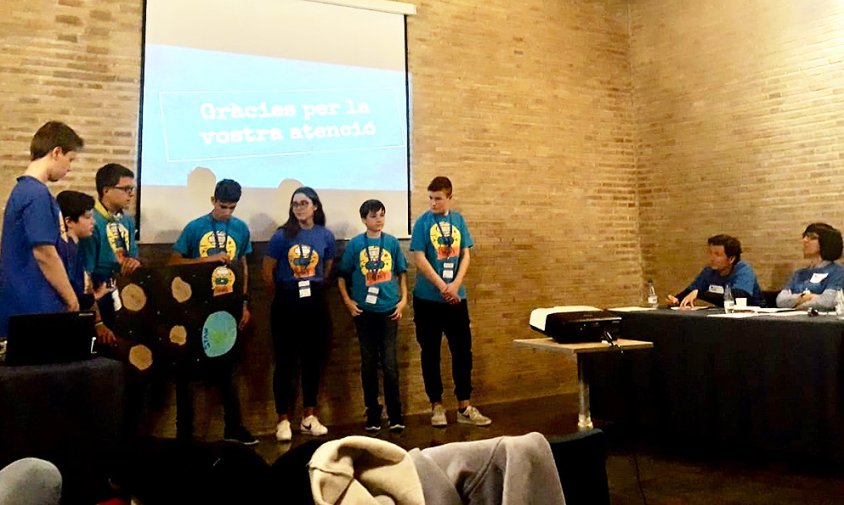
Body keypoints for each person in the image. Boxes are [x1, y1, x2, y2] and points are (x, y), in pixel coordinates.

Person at [169, 179, 257, 445]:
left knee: (226, 368)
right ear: (212, 201)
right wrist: (205, 260)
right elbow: (174, 261)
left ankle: (234, 427)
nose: (226, 212)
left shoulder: (240, 228)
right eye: (222, 206)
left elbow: (243, 265)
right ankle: (185, 432)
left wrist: (244, 302)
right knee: (186, 371)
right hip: (195, 306)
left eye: (232, 208)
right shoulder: (195, 227)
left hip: (226, 306)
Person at [410, 176, 491, 427]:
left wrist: (455, 285)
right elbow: (419, 258)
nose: (434, 203)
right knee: (431, 352)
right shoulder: (422, 222)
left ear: (449, 197)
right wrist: (442, 286)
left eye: (438, 198)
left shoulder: (458, 220)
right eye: (431, 198)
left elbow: (466, 254)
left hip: (456, 298)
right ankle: (436, 406)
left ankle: (464, 406)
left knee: (462, 351)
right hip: (428, 299)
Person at [263, 187, 335, 441]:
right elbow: (267, 271)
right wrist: (285, 294)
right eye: (295, 204)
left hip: (314, 302)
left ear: (315, 206)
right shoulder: (282, 236)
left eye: (304, 203)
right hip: (286, 301)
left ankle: (309, 416)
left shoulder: (325, 235)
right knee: (285, 362)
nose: (299, 208)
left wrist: (312, 288)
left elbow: (327, 268)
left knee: (312, 360)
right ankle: (283, 419)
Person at [0, 121, 83, 337]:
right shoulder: (36, 194)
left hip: (28, 304)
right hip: (34, 306)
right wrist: (70, 297)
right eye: (70, 159)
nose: (70, 167)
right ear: (56, 152)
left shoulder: (26, 191)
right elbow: (45, 253)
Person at [337, 199, 408, 433]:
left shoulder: (392, 243)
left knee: (389, 363)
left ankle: (395, 414)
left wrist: (403, 300)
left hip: (389, 310)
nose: (378, 219)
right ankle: (373, 413)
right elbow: (342, 276)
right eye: (373, 216)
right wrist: (348, 302)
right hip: (364, 312)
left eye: (381, 215)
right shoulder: (356, 244)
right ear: (364, 219)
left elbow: (401, 273)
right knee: (368, 364)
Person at [79, 163, 142, 328]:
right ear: (106, 190)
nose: (132, 194)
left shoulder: (127, 220)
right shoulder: (91, 220)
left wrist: (134, 262)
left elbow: (133, 255)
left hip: (124, 287)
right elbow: (86, 272)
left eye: (132, 189)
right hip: (99, 291)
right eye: (126, 189)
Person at [55, 190, 117, 348]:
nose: (93, 222)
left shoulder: (75, 248)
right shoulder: (63, 250)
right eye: (88, 217)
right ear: (68, 221)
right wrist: (96, 296)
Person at [666, 234, 764, 308]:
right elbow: (691, 291)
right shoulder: (709, 271)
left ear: (731, 259)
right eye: (710, 253)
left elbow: (737, 297)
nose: (711, 258)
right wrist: (676, 299)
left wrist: (700, 294)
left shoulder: (743, 270)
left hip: (755, 319)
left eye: (717, 254)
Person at [776, 223, 844, 310]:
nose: (804, 240)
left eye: (812, 238)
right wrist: (803, 297)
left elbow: (828, 301)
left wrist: (798, 305)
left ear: (826, 242)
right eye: (805, 236)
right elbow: (780, 300)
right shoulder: (799, 274)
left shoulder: (838, 272)